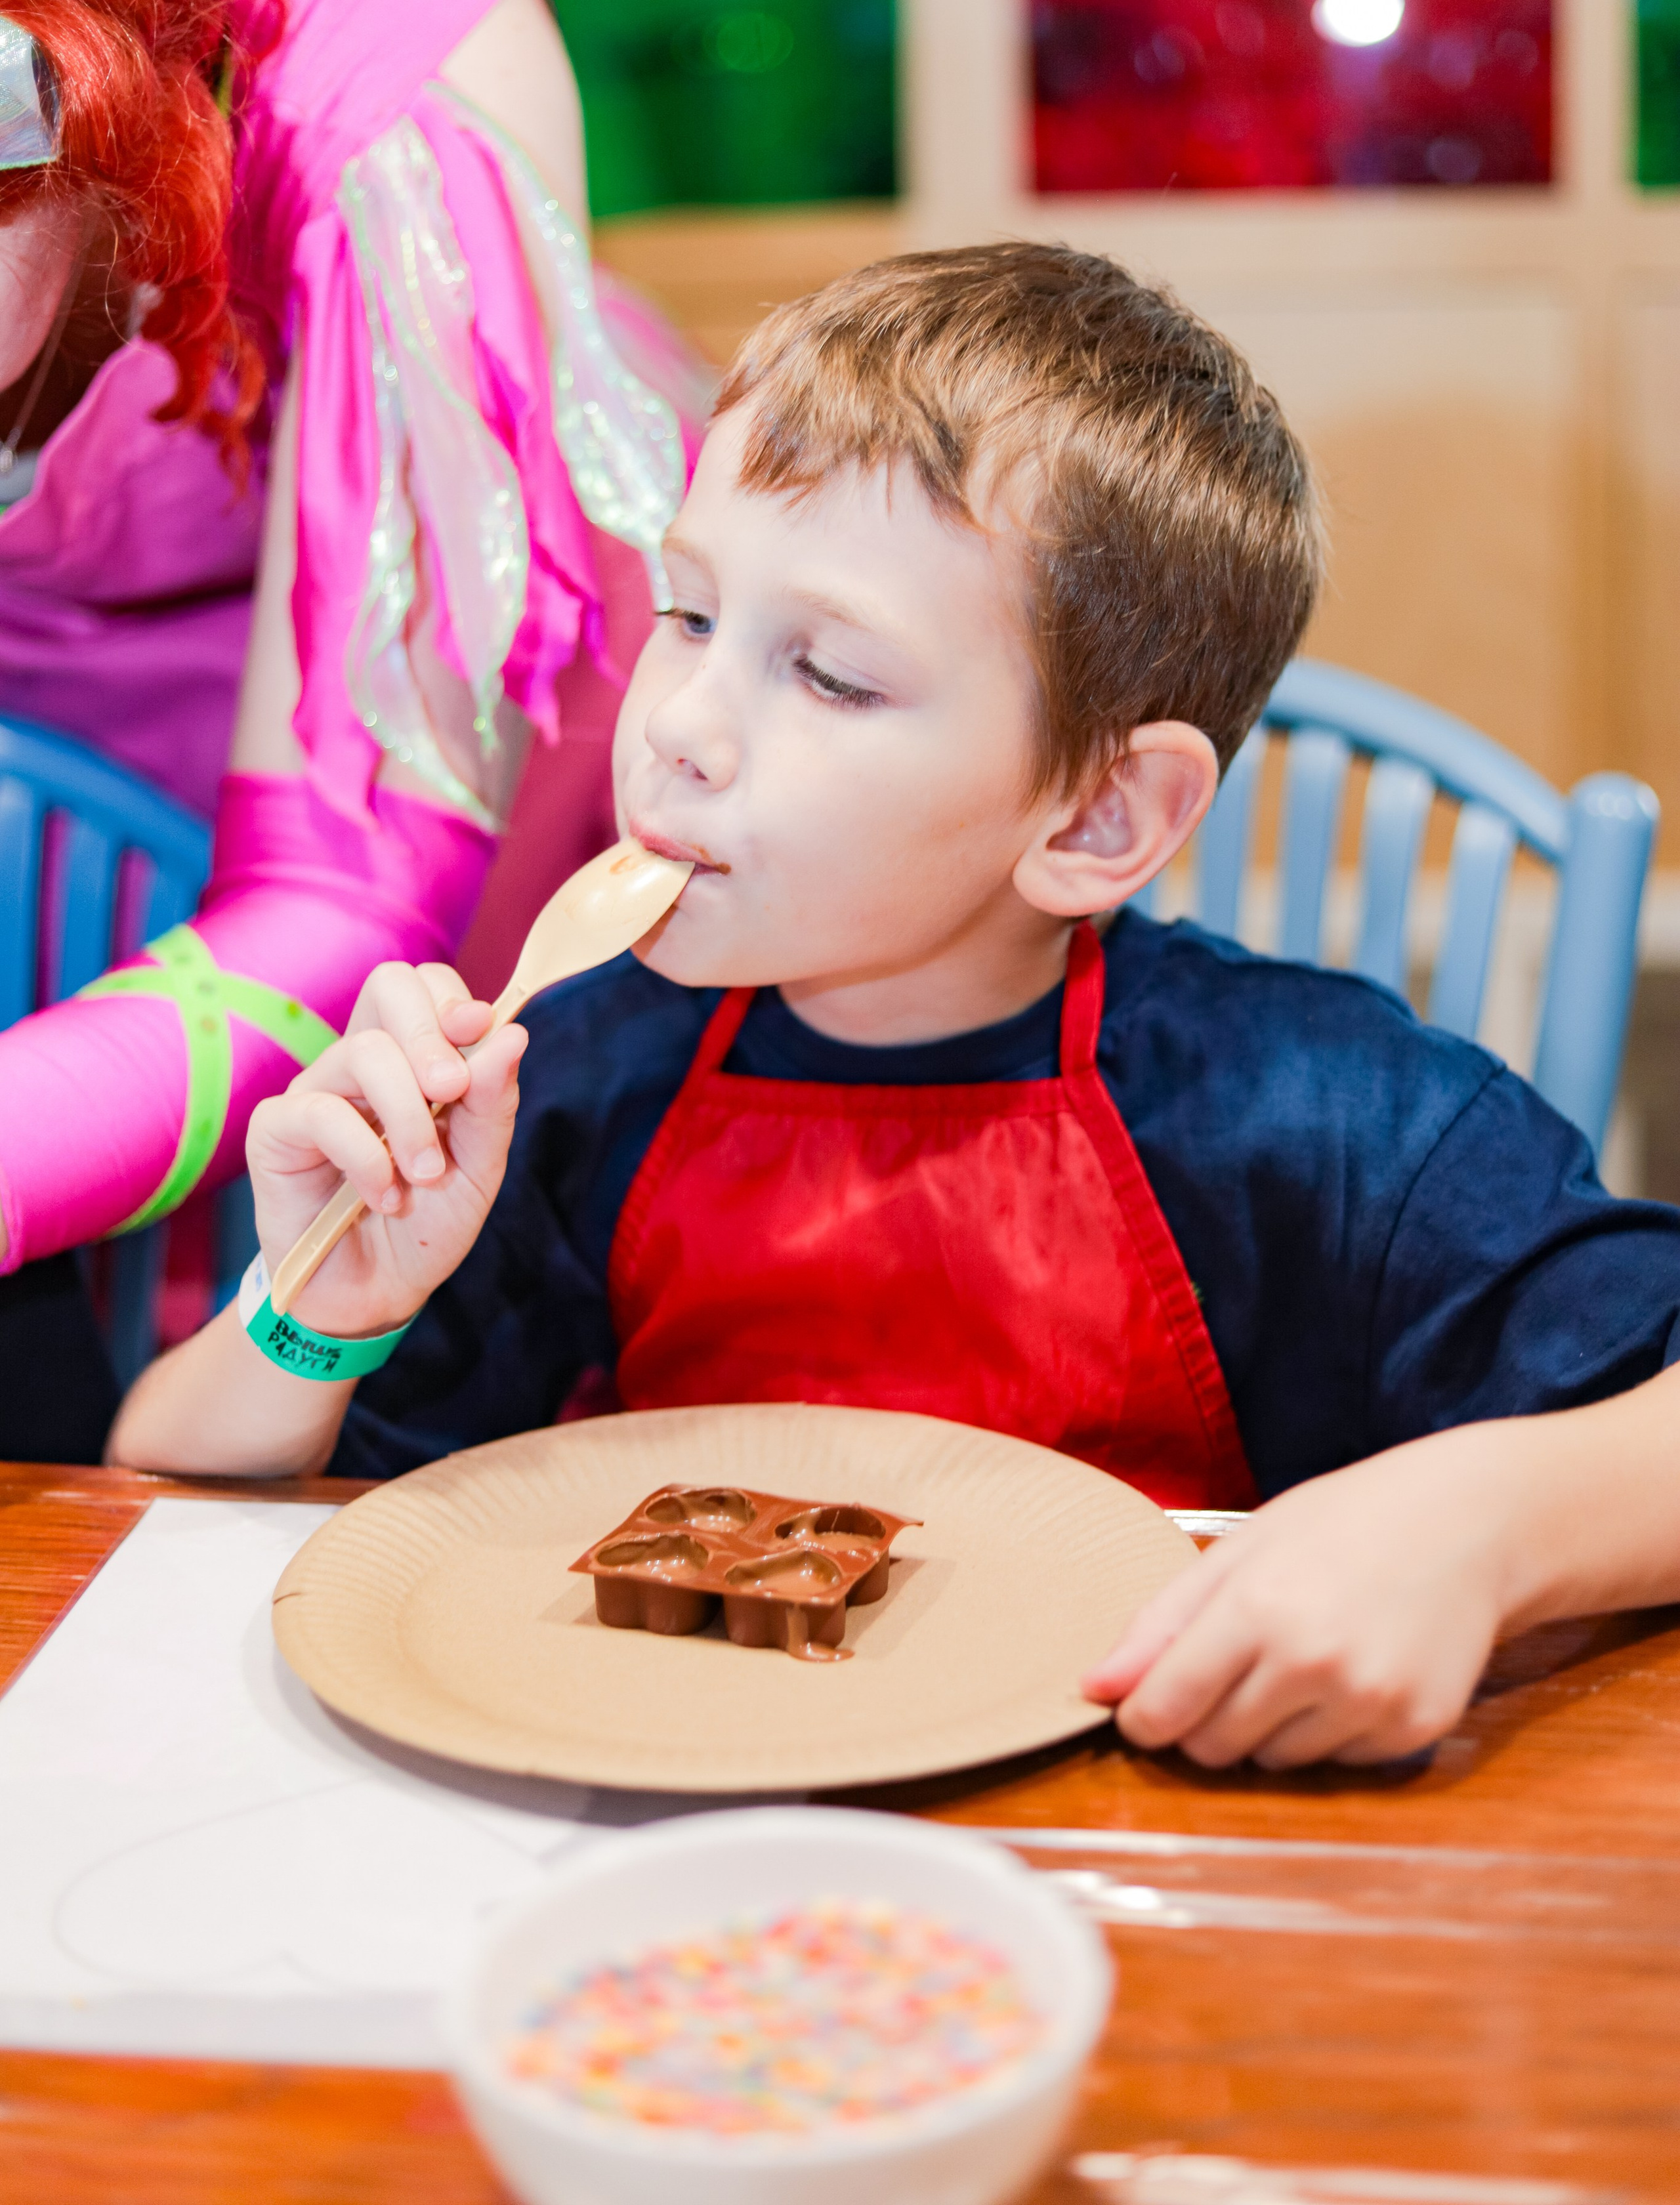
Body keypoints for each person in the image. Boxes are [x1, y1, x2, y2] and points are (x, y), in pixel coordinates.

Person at [110, 243, 1680, 1770]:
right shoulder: (571, 1083)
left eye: (832, 676)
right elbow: (162, 1500)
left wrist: (1478, 1528)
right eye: (690, 615)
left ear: (1093, 821)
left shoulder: (1337, 1124)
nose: (679, 731)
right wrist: (319, 1306)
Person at [0, 0, 699, 1419]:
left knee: (375, 1321)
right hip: (55, 771)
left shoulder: (386, 58)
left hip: (432, 738)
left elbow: (344, 895)